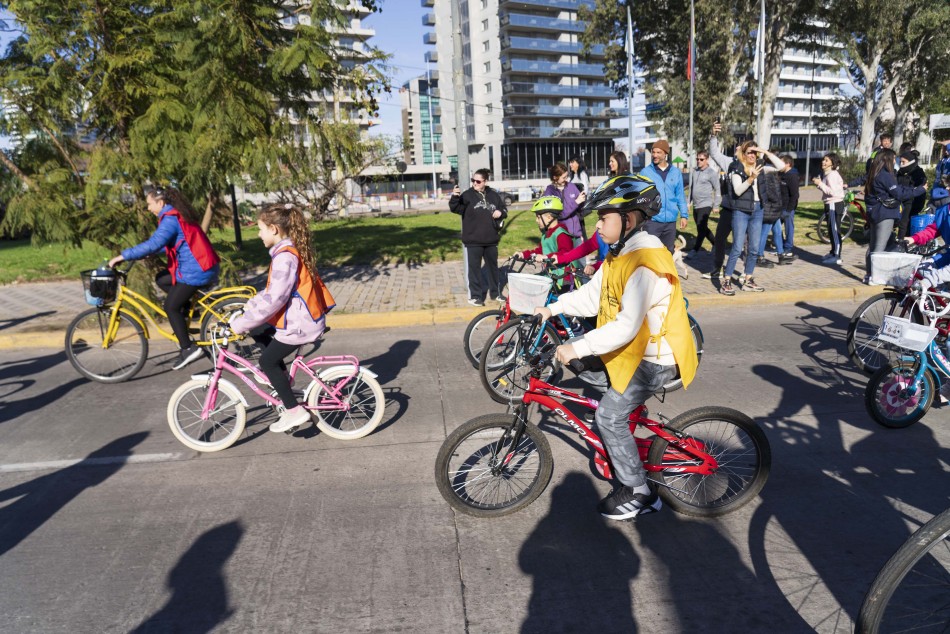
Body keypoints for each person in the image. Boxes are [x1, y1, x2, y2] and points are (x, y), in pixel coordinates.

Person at [532, 174, 697, 520]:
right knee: (584, 371)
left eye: (603, 218)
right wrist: (552, 308)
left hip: (656, 359)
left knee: (607, 416)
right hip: (633, 352)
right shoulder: (620, 254)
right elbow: (593, 297)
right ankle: (630, 418)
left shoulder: (647, 262)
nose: (598, 225)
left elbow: (626, 325)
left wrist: (578, 346)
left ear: (629, 219)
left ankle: (639, 492)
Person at [229, 203, 335, 433]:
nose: (258, 234)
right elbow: (272, 293)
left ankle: (294, 411)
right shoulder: (285, 252)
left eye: (260, 229)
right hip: (298, 318)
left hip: (300, 324)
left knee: (267, 362)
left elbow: (276, 298)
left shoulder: (284, 257)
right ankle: (283, 377)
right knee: (257, 330)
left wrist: (239, 324)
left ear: (274, 229)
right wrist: (249, 308)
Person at [108, 186, 220, 370]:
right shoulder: (175, 215)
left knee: (170, 306)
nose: (149, 208)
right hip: (199, 265)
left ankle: (188, 348)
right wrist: (148, 253)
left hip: (197, 269)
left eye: (150, 204)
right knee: (162, 278)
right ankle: (185, 313)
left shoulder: (170, 219)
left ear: (160, 203)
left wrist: (123, 256)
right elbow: (169, 242)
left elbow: (154, 243)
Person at [720, 142, 785, 295]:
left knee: (754, 248)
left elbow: (781, 166)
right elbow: (737, 191)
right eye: (749, 152)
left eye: (754, 153)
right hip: (741, 211)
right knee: (737, 247)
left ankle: (748, 279)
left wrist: (765, 152)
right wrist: (751, 179)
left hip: (758, 210)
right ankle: (727, 280)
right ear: (743, 153)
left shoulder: (761, 167)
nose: (752, 156)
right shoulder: (737, 168)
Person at [865, 148, 927, 283]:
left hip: (874, 213)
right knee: (879, 247)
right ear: (887, 159)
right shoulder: (886, 175)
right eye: (894, 159)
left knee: (881, 244)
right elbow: (899, 194)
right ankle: (874, 277)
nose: (895, 161)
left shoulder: (874, 173)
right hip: (884, 214)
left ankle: (869, 274)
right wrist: (919, 190)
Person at [450, 168, 508, 306]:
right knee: (474, 270)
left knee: (493, 268)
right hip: (473, 240)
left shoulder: (493, 195)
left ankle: (496, 293)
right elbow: (455, 208)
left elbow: (504, 210)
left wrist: (500, 212)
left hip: (491, 240)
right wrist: (455, 197)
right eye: (473, 180)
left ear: (485, 181)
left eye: (478, 181)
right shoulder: (467, 195)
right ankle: (476, 296)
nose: (474, 183)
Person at [516, 196, 583, 291]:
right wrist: (523, 254)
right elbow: (540, 250)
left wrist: (546, 257)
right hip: (552, 274)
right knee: (529, 283)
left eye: (538, 217)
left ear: (549, 218)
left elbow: (566, 253)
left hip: (564, 278)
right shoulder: (546, 234)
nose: (536, 220)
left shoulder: (561, 233)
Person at [639, 139, 689, 253]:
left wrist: (684, 215)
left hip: (670, 223)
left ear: (666, 154)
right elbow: (640, 197)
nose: (654, 155)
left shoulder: (676, 172)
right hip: (652, 221)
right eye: (653, 152)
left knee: (667, 255)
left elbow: (680, 195)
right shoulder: (645, 172)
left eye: (658, 152)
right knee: (652, 255)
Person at [703, 123, 738, 280]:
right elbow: (715, 153)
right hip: (729, 209)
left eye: (739, 149)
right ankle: (717, 268)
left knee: (742, 243)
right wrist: (713, 136)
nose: (736, 150)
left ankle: (746, 274)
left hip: (745, 211)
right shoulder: (730, 162)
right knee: (719, 238)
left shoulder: (754, 165)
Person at [684, 150, 721, 260]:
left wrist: (716, 205)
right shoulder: (695, 171)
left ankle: (695, 250)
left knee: (701, 227)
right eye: (697, 159)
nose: (699, 161)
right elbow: (691, 188)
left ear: (707, 160)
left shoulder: (711, 173)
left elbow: (717, 189)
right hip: (696, 205)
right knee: (702, 228)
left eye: (701, 159)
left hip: (706, 204)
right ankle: (716, 244)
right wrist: (688, 202)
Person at [812, 153, 846, 265]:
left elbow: (833, 192)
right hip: (829, 203)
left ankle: (837, 255)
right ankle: (833, 252)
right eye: (823, 160)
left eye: (826, 160)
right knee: (831, 230)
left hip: (834, 204)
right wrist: (819, 183)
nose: (823, 162)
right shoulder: (827, 174)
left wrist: (820, 184)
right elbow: (826, 189)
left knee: (835, 230)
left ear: (832, 163)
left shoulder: (832, 175)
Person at [543, 162, 587, 243]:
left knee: (581, 255)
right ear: (555, 177)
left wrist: (583, 200)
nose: (566, 179)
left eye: (567, 176)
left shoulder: (571, 186)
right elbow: (559, 214)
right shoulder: (550, 192)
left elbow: (580, 209)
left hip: (577, 235)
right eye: (563, 177)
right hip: (563, 236)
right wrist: (576, 202)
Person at [895, 149, 927, 240]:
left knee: (905, 224)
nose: (901, 164)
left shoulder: (918, 173)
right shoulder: (901, 172)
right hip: (901, 201)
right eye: (900, 161)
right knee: (901, 223)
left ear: (911, 161)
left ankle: (903, 241)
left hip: (912, 203)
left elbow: (921, 190)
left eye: (903, 162)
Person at [779, 155, 800, 260]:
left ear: (787, 164)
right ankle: (780, 246)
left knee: (788, 228)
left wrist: (789, 209)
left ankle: (788, 248)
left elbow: (795, 195)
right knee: (777, 228)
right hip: (779, 207)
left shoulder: (792, 176)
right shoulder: (782, 174)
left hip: (787, 208)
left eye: (780, 162)